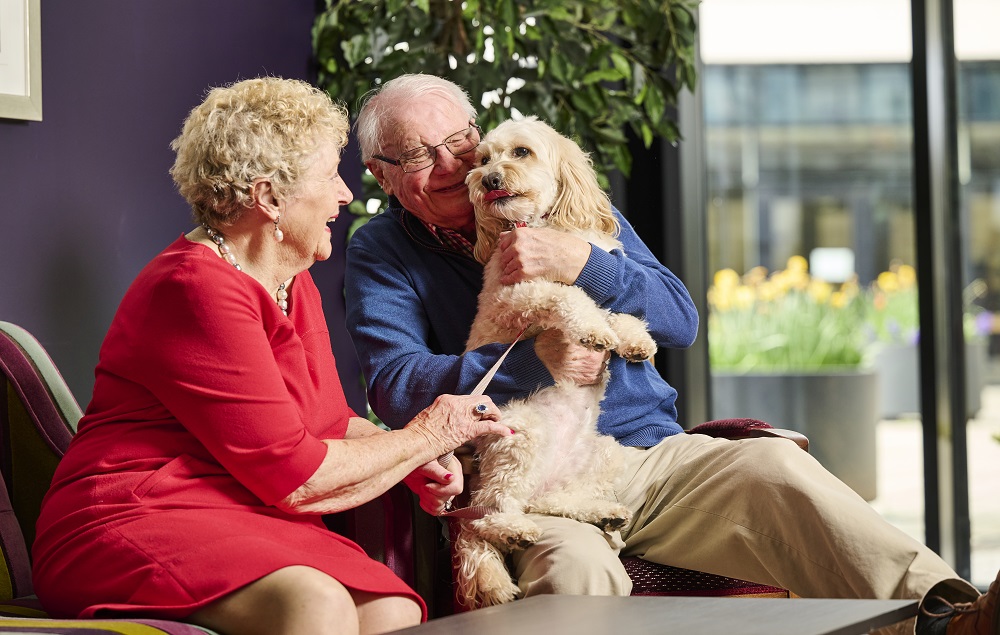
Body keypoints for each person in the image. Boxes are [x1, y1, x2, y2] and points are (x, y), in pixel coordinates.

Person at [343, 73, 1000, 635]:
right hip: (534, 475)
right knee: (576, 576)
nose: (460, 165)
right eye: (422, 154)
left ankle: (950, 617)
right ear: (383, 173)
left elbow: (679, 319)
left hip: (649, 455)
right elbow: (396, 385)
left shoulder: (572, 207)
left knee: (772, 467)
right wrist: (535, 361)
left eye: (462, 140)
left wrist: (586, 263)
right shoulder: (382, 250)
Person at [31, 77, 511, 635]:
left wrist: (406, 460)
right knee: (315, 604)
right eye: (330, 175)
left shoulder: (290, 276)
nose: (345, 194)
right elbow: (296, 479)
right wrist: (426, 437)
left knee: (394, 609)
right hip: (136, 512)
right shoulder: (194, 288)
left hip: (236, 506)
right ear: (268, 198)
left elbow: (330, 421)